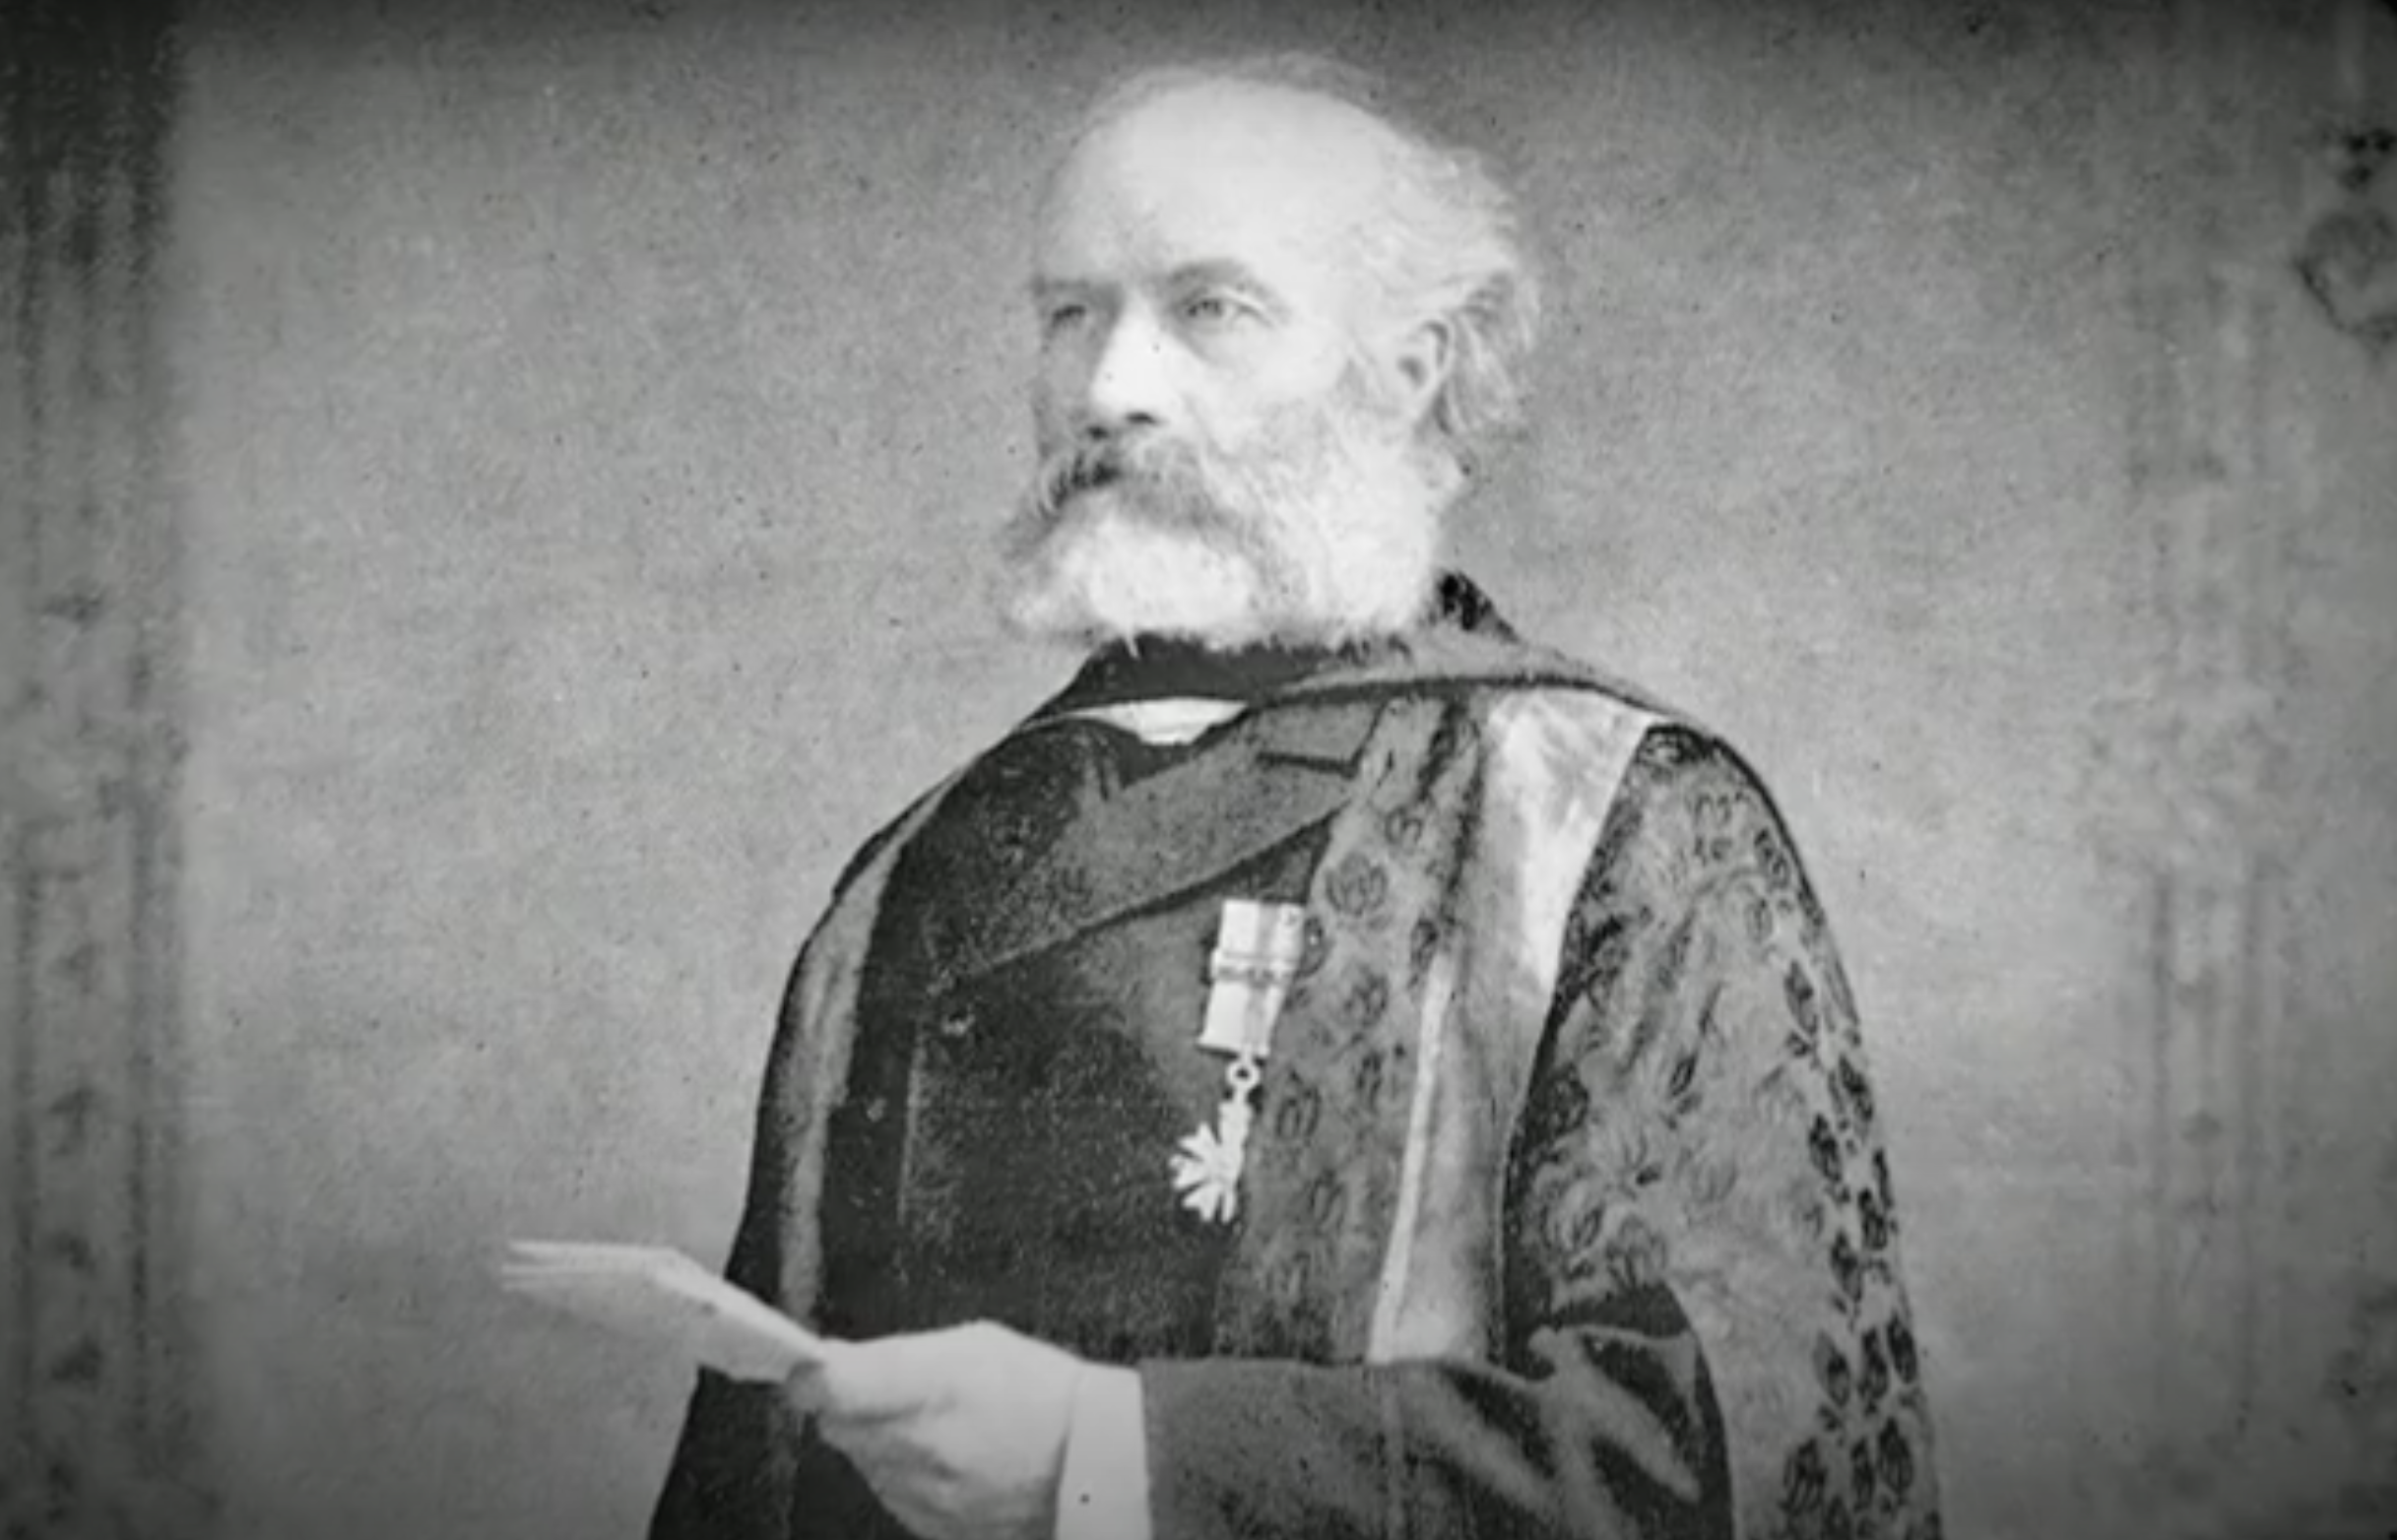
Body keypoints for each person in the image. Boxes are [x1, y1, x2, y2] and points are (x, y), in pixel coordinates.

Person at [649, 52, 1942, 1540]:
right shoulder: (920, 867)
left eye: (1210, 309)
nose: (1109, 389)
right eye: (1068, 314)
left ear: (1407, 368)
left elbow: (1729, 1467)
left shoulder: (1614, 819)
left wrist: (1114, 1457)